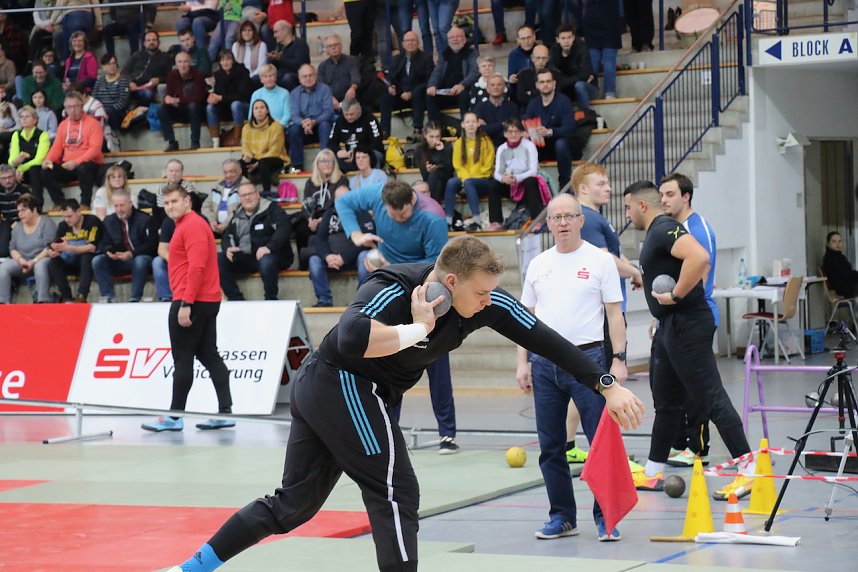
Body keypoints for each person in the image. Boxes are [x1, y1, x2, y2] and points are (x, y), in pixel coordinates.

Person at [164, 234, 645, 572]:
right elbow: (350, 337)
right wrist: (418, 329)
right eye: (479, 292)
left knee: (294, 506)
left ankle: (193, 567)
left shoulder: (486, 303)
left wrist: (607, 383)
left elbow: (544, 337)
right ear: (448, 284)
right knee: (396, 492)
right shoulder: (393, 286)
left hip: (344, 391)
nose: (487, 301)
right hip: (342, 383)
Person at [623, 180, 755, 501]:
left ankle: (749, 471)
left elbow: (699, 257)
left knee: (710, 397)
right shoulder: (657, 232)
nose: (627, 215)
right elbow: (675, 265)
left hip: (687, 324)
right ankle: (653, 472)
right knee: (667, 403)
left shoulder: (664, 227)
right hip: (669, 327)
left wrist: (676, 294)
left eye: (628, 207)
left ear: (642, 206)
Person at [517, 193, 626, 541]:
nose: (562, 223)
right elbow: (525, 319)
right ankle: (562, 516)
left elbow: (614, 313)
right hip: (544, 364)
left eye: (569, 216)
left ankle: (606, 517)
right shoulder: (538, 264)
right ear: (548, 224)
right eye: (556, 217)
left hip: (589, 362)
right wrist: (523, 362)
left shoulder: (600, 261)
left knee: (600, 443)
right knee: (551, 446)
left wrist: (618, 360)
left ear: (581, 220)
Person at [336, 180, 460, 453]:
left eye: (402, 214)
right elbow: (343, 202)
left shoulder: (433, 217)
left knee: (436, 364)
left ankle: (447, 434)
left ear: (413, 202)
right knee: (391, 365)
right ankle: (389, 431)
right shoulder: (378, 194)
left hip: (426, 293)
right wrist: (355, 233)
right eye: (392, 215)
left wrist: (389, 267)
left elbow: (434, 270)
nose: (397, 219)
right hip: (393, 293)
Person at [141, 185, 235, 433]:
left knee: (183, 359)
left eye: (175, 201)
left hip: (192, 299)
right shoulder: (187, 224)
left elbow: (196, 268)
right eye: (167, 202)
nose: (170, 206)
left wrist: (186, 303)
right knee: (208, 354)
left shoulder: (191, 225)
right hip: (204, 299)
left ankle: (174, 416)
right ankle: (225, 411)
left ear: (187, 202)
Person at [660, 172, 719, 467]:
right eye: (661, 195)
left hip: (695, 318)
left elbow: (702, 270)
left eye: (669, 194)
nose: (664, 200)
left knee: (697, 387)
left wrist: (677, 300)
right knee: (674, 385)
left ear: (686, 196)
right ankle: (679, 443)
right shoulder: (673, 229)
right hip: (674, 317)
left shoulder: (699, 228)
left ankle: (698, 448)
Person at [218, 181, 293, 301]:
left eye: (250, 194)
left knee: (266, 261)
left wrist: (269, 247)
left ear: (258, 194)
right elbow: (226, 236)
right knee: (218, 259)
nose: (247, 198)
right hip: (246, 256)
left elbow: (284, 229)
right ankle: (236, 299)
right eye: (243, 195)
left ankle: (271, 299)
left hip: (272, 254)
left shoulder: (271, 208)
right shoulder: (237, 212)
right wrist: (228, 248)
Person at [306, 184, 373, 307]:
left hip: (354, 258)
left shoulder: (362, 213)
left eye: (346, 197)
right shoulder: (329, 214)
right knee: (314, 260)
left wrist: (344, 258)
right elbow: (320, 239)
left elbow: (366, 241)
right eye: (339, 198)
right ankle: (324, 300)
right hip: (332, 259)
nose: (342, 200)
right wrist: (327, 256)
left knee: (366, 256)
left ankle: (361, 301)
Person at [42, 91, 104, 210]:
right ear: (65, 108)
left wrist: (76, 162)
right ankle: (60, 202)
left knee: (83, 167)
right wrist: (48, 160)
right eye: (69, 107)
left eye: (75, 106)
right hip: (68, 165)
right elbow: (56, 147)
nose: (72, 110)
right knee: (45, 170)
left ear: (82, 106)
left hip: (90, 165)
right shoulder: (63, 125)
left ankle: (85, 203)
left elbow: (95, 149)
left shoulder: (93, 123)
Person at [92, 189, 156, 303]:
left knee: (140, 261)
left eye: (122, 205)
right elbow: (102, 243)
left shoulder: (145, 219)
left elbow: (152, 244)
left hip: (138, 257)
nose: (119, 209)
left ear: (130, 204)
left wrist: (132, 254)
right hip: (117, 259)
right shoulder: (108, 220)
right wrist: (109, 252)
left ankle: (135, 298)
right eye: (116, 206)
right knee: (97, 260)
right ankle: (108, 297)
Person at [445, 112, 500, 232]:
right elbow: (458, 166)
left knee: (470, 182)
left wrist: (469, 180)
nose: (471, 125)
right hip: (466, 181)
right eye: (468, 122)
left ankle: (477, 221)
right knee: (451, 183)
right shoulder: (459, 143)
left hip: (483, 181)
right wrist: (466, 180)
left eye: (474, 122)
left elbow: (488, 167)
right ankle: (448, 222)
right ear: (463, 125)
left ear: (478, 124)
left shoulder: (486, 142)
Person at [293, 149, 348, 266]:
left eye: (330, 161)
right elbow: (306, 205)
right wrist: (310, 220)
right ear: (317, 165)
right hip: (313, 218)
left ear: (334, 164)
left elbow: (340, 205)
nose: (327, 164)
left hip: (333, 217)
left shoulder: (342, 180)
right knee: (301, 230)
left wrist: (322, 220)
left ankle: (327, 259)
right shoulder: (310, 182)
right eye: (323, 161)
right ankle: (304, 264)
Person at [523, 68, 576, 189]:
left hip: (562, 145)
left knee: (561, 144)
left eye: (548, 81)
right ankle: (530, 187)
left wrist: (549, 132)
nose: (545, 84)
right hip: (541, 146)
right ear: (537, 85)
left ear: (554, 84)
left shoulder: (563, 101)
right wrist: (527, 133)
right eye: (542, 82)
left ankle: (565, 185)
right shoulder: (533, 104)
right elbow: (527, 122)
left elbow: (570, 128)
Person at [0, 193, 56, 304]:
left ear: (34, 210)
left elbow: (50, 246)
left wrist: (33, 261)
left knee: (40, 265)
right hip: (23, 262)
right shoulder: (18, 226)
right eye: (19, 211)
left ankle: (43, 300)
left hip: (43, 259)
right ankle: (3, 302)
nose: (20, 214)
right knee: (3, 267)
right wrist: (21, 261)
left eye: (23, 210)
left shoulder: (46, 222)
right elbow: (12, 248)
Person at [379, 31, 432, 140]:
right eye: (407, 41)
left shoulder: (426, 58)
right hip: (400, 94)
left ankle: (418, 129)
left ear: (418, 42)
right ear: (402, 44)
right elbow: (390, 78)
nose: (410, 43)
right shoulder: (396, 59)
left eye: (413, 40)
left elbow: (429, 80)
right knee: (385, 97)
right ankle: (384, 131)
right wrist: (391, 87)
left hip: (417, 95)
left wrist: (411, 93)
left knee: (418, 94)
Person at [46, 198, 101, 303]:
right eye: (64, 216)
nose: (66, 219)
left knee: (87, 256)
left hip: (86, 263)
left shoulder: (92, 221)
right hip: (69, 261)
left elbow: (92, 247)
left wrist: (68, 248)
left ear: (79, 211)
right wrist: (52, 251)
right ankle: (67, 297)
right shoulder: (63, 225)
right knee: (53, 261)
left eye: (69, 216)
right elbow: (56, 244)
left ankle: (81, 296)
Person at [494, 118, 546, 224]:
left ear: (522, 133)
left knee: (531, 181)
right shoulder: (501, 149)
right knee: (493, 185)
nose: (513, 135)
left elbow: (533, 170)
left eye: (516, 131)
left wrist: (517, 178)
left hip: (525, 179)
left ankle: (536, 219)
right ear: (505, 134)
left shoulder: (529, 146)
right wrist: (503, 179)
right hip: (510, 181)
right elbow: (497, 172)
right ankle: (496, 222)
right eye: (510, 132)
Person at [426, 27, 479, 125]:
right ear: (448, 40)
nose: (455, 39)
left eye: (458, 36)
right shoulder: (444, 54)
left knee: (464, 95)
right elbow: (437, 72)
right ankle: (435, 129)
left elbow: (474, 72)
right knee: (429, 97)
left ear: (464, 39)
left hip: (462, 91)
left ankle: (465, 128)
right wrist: (432, 85)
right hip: (445, 92)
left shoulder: (471, 53)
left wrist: (462, 85)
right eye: (452, 37)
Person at [287, 64, 333, 173]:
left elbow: (328, 112)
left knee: (325, 125)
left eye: (310, 75)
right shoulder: (294, 93)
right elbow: (294, 115)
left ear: (316, 76)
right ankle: (297, 166)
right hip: (304, 129)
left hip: (320, 126)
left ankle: (325, 161)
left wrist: (314, 122)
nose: (308, 78)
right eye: (304, 76)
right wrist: (304, 123)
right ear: (299, 79)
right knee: (293, 129)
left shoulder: (325, 89)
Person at [159, 51, 208, 152]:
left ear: (190, 62)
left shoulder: (198, 74)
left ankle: (195, 141)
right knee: (162, 109)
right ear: (176, 64)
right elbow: (169, 93)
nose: (183, 65)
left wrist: (178, 100)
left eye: (185, 61)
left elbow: (198, 98)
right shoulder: (172, 75)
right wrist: (166, 99)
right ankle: (171, 142)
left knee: (193, 106)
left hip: (198, 111)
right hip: (181, 111)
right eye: (180, 62)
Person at [240, 99, 289, 197]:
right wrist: (247, 156)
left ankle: (267, 192)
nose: (259, 111)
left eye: (262, 107)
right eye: (256, 108)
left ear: (267, 110)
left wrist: (257, 164)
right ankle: (244, 191)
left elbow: (275, 150)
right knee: (240, 163)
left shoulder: (276, 126)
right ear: (252, 112)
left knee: (263, 162)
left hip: (275, 158)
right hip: (256, 158)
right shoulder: (246, 127)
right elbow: (245, 147)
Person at [207, 49, 253, 148]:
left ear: (233, 60)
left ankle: (237, 139)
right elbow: (218, 93)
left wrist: (220, 97)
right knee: (210, 107)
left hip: (243, 106)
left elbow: (242, 95)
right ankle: (216, 142)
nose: (225, 62)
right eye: (222, 60)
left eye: (228, 59)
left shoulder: (242, 71)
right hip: (226, 107)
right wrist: (212, 97)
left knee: (235, 104)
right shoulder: (218, 74)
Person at [550, 24, 598, 110]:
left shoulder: (582, 48)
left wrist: (563, 81)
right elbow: (553, 73)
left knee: (579, 85)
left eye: (569, 37)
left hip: (588, 87)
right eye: (563, 38)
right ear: (557, 40)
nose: (566, 41)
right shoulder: (554, 50)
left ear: (573, 38)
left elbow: (585, 74)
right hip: (566, 88)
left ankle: (584, 115)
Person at [328, 98, 384, 173]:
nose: (348, 117)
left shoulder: (369, 118)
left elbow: (377, 143)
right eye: (346, 114)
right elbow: (331, 142)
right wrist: (338, 151)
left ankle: (374, 180)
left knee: (372, 156)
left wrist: (357, 154)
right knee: (330, 160)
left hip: (369, 153)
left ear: (358, 110)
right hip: (349, 156)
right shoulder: (339, 121)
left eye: (351, 114)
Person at [8, 106, 49, 204]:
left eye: (27, 116)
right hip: (21, 171)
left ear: (35, 120)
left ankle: (38, 205)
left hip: (37, 170)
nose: (24, 119)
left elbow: (39, 159)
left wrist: (20, 168)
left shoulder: (42, 135)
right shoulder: (16, 135)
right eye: (21, 117)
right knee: (6, 176)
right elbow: (11, 160)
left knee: (33, 169)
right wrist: (16, 161)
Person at [415, 122, 454, 224]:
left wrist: (442, 151)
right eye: (431, 137)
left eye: (437, 136)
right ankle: (435, 210)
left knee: (436, 173)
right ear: (425, 135)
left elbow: (450, 170)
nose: (435, 140)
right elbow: (424, 176)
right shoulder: (420, 150)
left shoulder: (447, 146)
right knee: (432, 177)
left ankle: (431, 212)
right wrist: (428, 170)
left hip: (446, 180)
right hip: (431, 181)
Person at [123, 31, 174, 107]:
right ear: (144, 43)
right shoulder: (136, 55)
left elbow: (170, 76)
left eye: (154, 40)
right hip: (131, 86)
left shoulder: (165, 57)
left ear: (159, 42)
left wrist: (159, 79)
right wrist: (130, 82)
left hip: (147, 88)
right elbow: (125, 71)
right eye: (148, 40)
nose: (151, 42)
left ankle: (139, 114)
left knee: (147, 94)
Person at [586, 0, 622, 98]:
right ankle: (609, 93)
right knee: (609, 61)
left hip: (591, 16)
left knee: (593, 61)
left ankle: (591, 92)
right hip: (609, 17)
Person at [317, 35, 360, 113]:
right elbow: (321, 88)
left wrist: (353, 88)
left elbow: (355, 79)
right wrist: (330, 98)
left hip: (349, 100)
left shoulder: (351, 61)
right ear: (326, 50)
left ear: (340, 46)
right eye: (330, 46)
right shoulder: (322, 66)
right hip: (330, 102)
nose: (333, 48)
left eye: (336, 44)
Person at [474, 73, 518, 148]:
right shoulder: (480, 107)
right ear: (487, 89)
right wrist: (503, 124)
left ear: (504, 88)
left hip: (508, 146)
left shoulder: (512, 106)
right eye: (492, 85)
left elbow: (513, 130)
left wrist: (489, 128)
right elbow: (480, 130)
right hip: (486, 146)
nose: (496, 87)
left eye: (499, 84)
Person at [512, 44, 560, 110]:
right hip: (529, 110)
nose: (540, 61)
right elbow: (521, 97)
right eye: (538, 58)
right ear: (532, 58)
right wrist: (544, 94)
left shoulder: (555, 74)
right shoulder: (524, 74)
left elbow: (555, 96)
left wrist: (531, 92)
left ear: (548, 59)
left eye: (544, 58)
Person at [92, 54, 130, 132]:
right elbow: (94, 97)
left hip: (116, 112)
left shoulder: (122, 80)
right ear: (103, 67)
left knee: (108, 113)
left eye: (114, 63)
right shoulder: (99, 81)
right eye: (109, 64)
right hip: (102, 111)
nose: (112, 66)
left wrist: (106, 111)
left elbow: (123, 101)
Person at [267, 20, 309, 91]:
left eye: (276, 32)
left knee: (288, 78)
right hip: (280, 76)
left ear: (285, 31)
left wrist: (280, 58)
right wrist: (272, 59)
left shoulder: (300, 44)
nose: (274, 35)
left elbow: (300, 65)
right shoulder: (279, 46)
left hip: (296, 77)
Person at [249, 64, 291, 129]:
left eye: (271, 76)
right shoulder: (256, 94)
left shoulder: (284, 93)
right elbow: (251, 116)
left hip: (279, 129)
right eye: (265, 76)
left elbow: (287, 115)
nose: (268, 79)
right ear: (261, 79)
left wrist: (275, 127)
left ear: (275, 77)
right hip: (261, 129)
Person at [823, 230, 858, 298]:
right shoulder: (831, 258)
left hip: (847, 285)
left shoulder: (838, 256)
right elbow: (847, 273)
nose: (837, 244)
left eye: (839, 241)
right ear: (828, 244)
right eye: (834, 241)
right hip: (843, 288)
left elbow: (848, 272)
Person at [232, 20, 267, 84]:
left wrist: (249, 78)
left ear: (254, 32)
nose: (247, 32)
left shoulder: (261, 45)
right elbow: (234, 65)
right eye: (244, 30)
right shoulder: (235, 45)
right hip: (240, 77)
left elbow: (261, 66)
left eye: (249, 30)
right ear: (241, 32)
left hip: (255, 77)